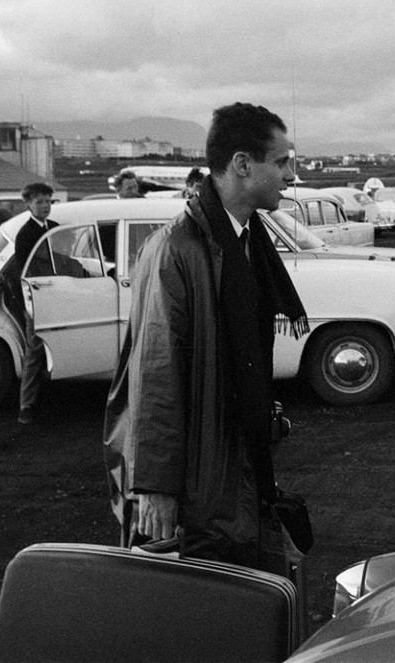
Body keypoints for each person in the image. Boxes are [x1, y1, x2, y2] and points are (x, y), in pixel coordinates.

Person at [103, 103, 309, 576]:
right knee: (197, 603)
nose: (291, 176)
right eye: (282, 162)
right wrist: (155, 487)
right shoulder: (176, 250)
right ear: (242, 164)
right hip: (197, 481)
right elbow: (154, 374)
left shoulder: (245, 242)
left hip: (237, 463)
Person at [3, 182, 57, 425]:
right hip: (36, 299)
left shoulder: (54, 228)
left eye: (48, 201)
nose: (45, 206)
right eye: (39, 202)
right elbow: (26, 271)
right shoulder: (25, 234)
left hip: (56, 295)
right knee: (34, 351)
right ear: (28, 206)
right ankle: (26, 406)